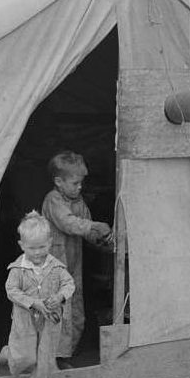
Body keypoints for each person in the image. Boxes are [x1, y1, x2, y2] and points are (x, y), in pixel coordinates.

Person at [0, 211, 75, 378]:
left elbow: (69, 284)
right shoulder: (17, 270)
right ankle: (9, 354)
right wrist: (32, 302)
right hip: (25, 320)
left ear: (50, 242)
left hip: (49, 321)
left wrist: (59, 297)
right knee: (26, 356)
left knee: (44, 358)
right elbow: (11, 290)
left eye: (42, 247)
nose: (38, 252)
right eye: (32, 248)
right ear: (22, 245)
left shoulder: (57, 268)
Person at [41, 150, 112, 366]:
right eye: (75, 183)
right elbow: (70, 223)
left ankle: (67, 351)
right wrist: (94, 226)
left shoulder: (79, 201)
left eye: (81, 182)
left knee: (76, 312)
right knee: (58, 312)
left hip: (73, 268)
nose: (79, 187)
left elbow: (86, 228)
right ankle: (56, 356)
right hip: (54, 269)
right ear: (59, 182)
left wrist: (103, 241)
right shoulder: (53, 200)